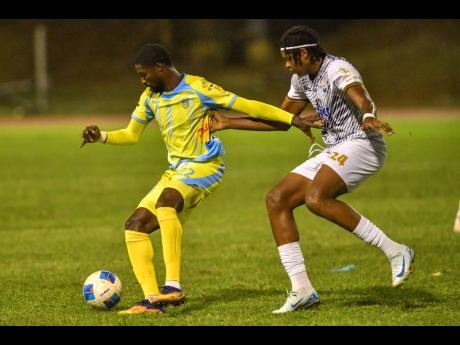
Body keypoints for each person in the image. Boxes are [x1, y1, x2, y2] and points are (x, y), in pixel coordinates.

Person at [80, 43, 316, 315]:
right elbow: (131, 134)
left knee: (166, 203)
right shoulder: (150, 97)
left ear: (160, 68)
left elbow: (248, 105)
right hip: (176, 172)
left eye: (144, 74)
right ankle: (152, 301)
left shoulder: (198, 88)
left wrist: (291, 118)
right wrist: (101, 137)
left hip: (205, 167)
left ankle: (172, 286)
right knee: (134, 226)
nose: (142, 80)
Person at [211, 25, 415, 314]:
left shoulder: (336, 68)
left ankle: (396, 250)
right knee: (277, 199)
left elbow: (360, 96)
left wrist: (368, 115)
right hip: (336, 148)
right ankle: (302, 289)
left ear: (304, 53)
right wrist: (229, 122)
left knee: (316, 198)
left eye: (289, 58)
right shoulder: (301, 79)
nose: (285, 64)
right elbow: (282, 119)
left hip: (363, 142)